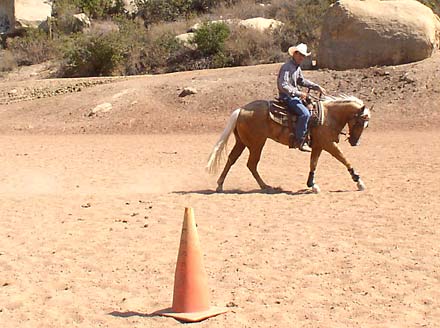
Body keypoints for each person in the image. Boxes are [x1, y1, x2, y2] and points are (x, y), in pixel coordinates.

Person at [277, 43, 326, 152]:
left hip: (294, 96)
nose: (301, 57)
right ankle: (300, 141)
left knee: (312, 108)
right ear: (294, 54)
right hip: (287, 97)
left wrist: (316, 87)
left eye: (303, 56)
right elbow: (283, 85)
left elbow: (301, 81)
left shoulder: (296, 67)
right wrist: (299, 93)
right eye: (300, 55)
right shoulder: (287, 67)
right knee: (305, 114)